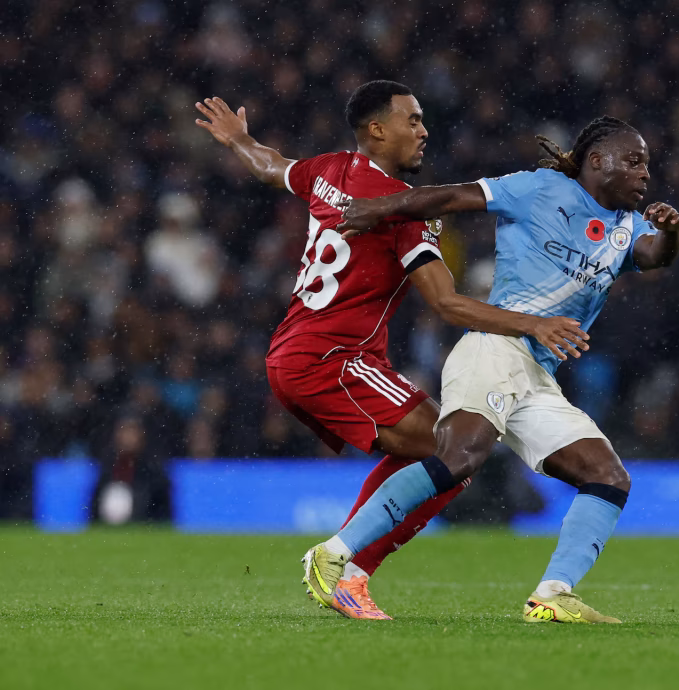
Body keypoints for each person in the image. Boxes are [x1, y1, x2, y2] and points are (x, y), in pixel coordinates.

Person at [193, 81, 588, 620]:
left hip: (295, 352)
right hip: (333, 358)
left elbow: (270, 166)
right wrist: (533, 325)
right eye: (413, 120)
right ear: (377, 129)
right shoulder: (401, 212)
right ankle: (346, 568)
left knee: (443, 453)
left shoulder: (330, 170)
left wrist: (239, 139)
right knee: (454, 453)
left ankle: (346, 566)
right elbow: (446, 303)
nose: (424, 131)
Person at [321, 116, 679, 623]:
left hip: (537, 376)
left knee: (607, 476)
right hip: (494, 348)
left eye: (646, 163)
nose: (645, 172)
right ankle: (334, 554)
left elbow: (656, 256)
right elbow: (451, 197)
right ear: (598, 160)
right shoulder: (539, 189)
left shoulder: (629, 226)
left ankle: (553, 593)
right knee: (459, 457)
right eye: (634, 161)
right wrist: (380, 208)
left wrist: (670, 232)